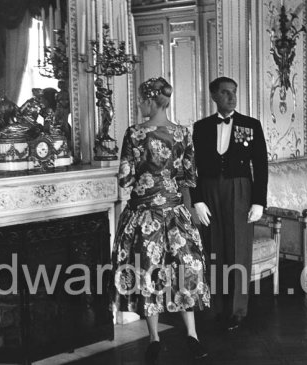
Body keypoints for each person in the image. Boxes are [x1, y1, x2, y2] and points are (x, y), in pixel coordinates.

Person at [111, 77, 210, 363]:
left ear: (151, 100)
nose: (139, 105)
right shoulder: (184, 133)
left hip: (143, 217)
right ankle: (191, 336)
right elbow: (189, 177)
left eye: (141, 100)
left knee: (147, 273)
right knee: (185, 271)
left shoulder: (135, 133)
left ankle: (154, 339)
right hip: (176, 213)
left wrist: (145, 173)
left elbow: (125, 177)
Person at [190, 76, 268, 331]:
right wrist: (197, 200)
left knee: (238, 249)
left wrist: (259, 202)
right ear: (214, 96)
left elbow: (262, 166)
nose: (232, 97)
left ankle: (237, 311)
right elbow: (194, 168)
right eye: (225, 93)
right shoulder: (200, 127)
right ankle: (214, 308)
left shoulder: (251, 125)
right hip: (210, 189)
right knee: (213, 247)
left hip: (240, 190)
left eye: (234, 92)